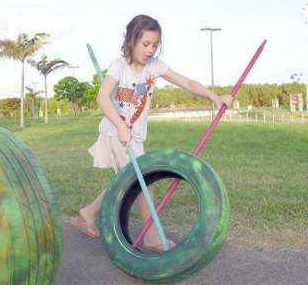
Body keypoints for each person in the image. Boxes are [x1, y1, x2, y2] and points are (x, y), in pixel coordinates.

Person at [70, 14, 233, 252]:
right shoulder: (119, 66)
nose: (150, 50)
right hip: (115, 133)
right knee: (144, 181)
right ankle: (153, 239)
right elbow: (102, 98)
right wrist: (120, 126)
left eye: (155, 45)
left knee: (130, 180)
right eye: (145, 44)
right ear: (131, 41)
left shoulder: (155, 66)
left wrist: (214, 97)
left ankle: (90, 211)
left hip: (134, 136)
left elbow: (186, 83)